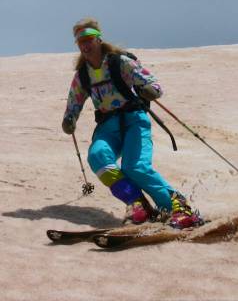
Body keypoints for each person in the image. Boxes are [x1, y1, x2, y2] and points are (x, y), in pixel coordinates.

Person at [61, 17, 203, 229]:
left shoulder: (120, 62)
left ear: (99, 40)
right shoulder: (83, 75)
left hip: (134, 119)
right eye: (81, 41)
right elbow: (75, 100)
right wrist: (69, 119)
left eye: (89, 39)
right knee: (97, 156)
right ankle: (137, 204)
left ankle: (179, 208)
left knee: (135, 166)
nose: (85, 45)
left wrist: (149, 91)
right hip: (107, 125)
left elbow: (153, 84)